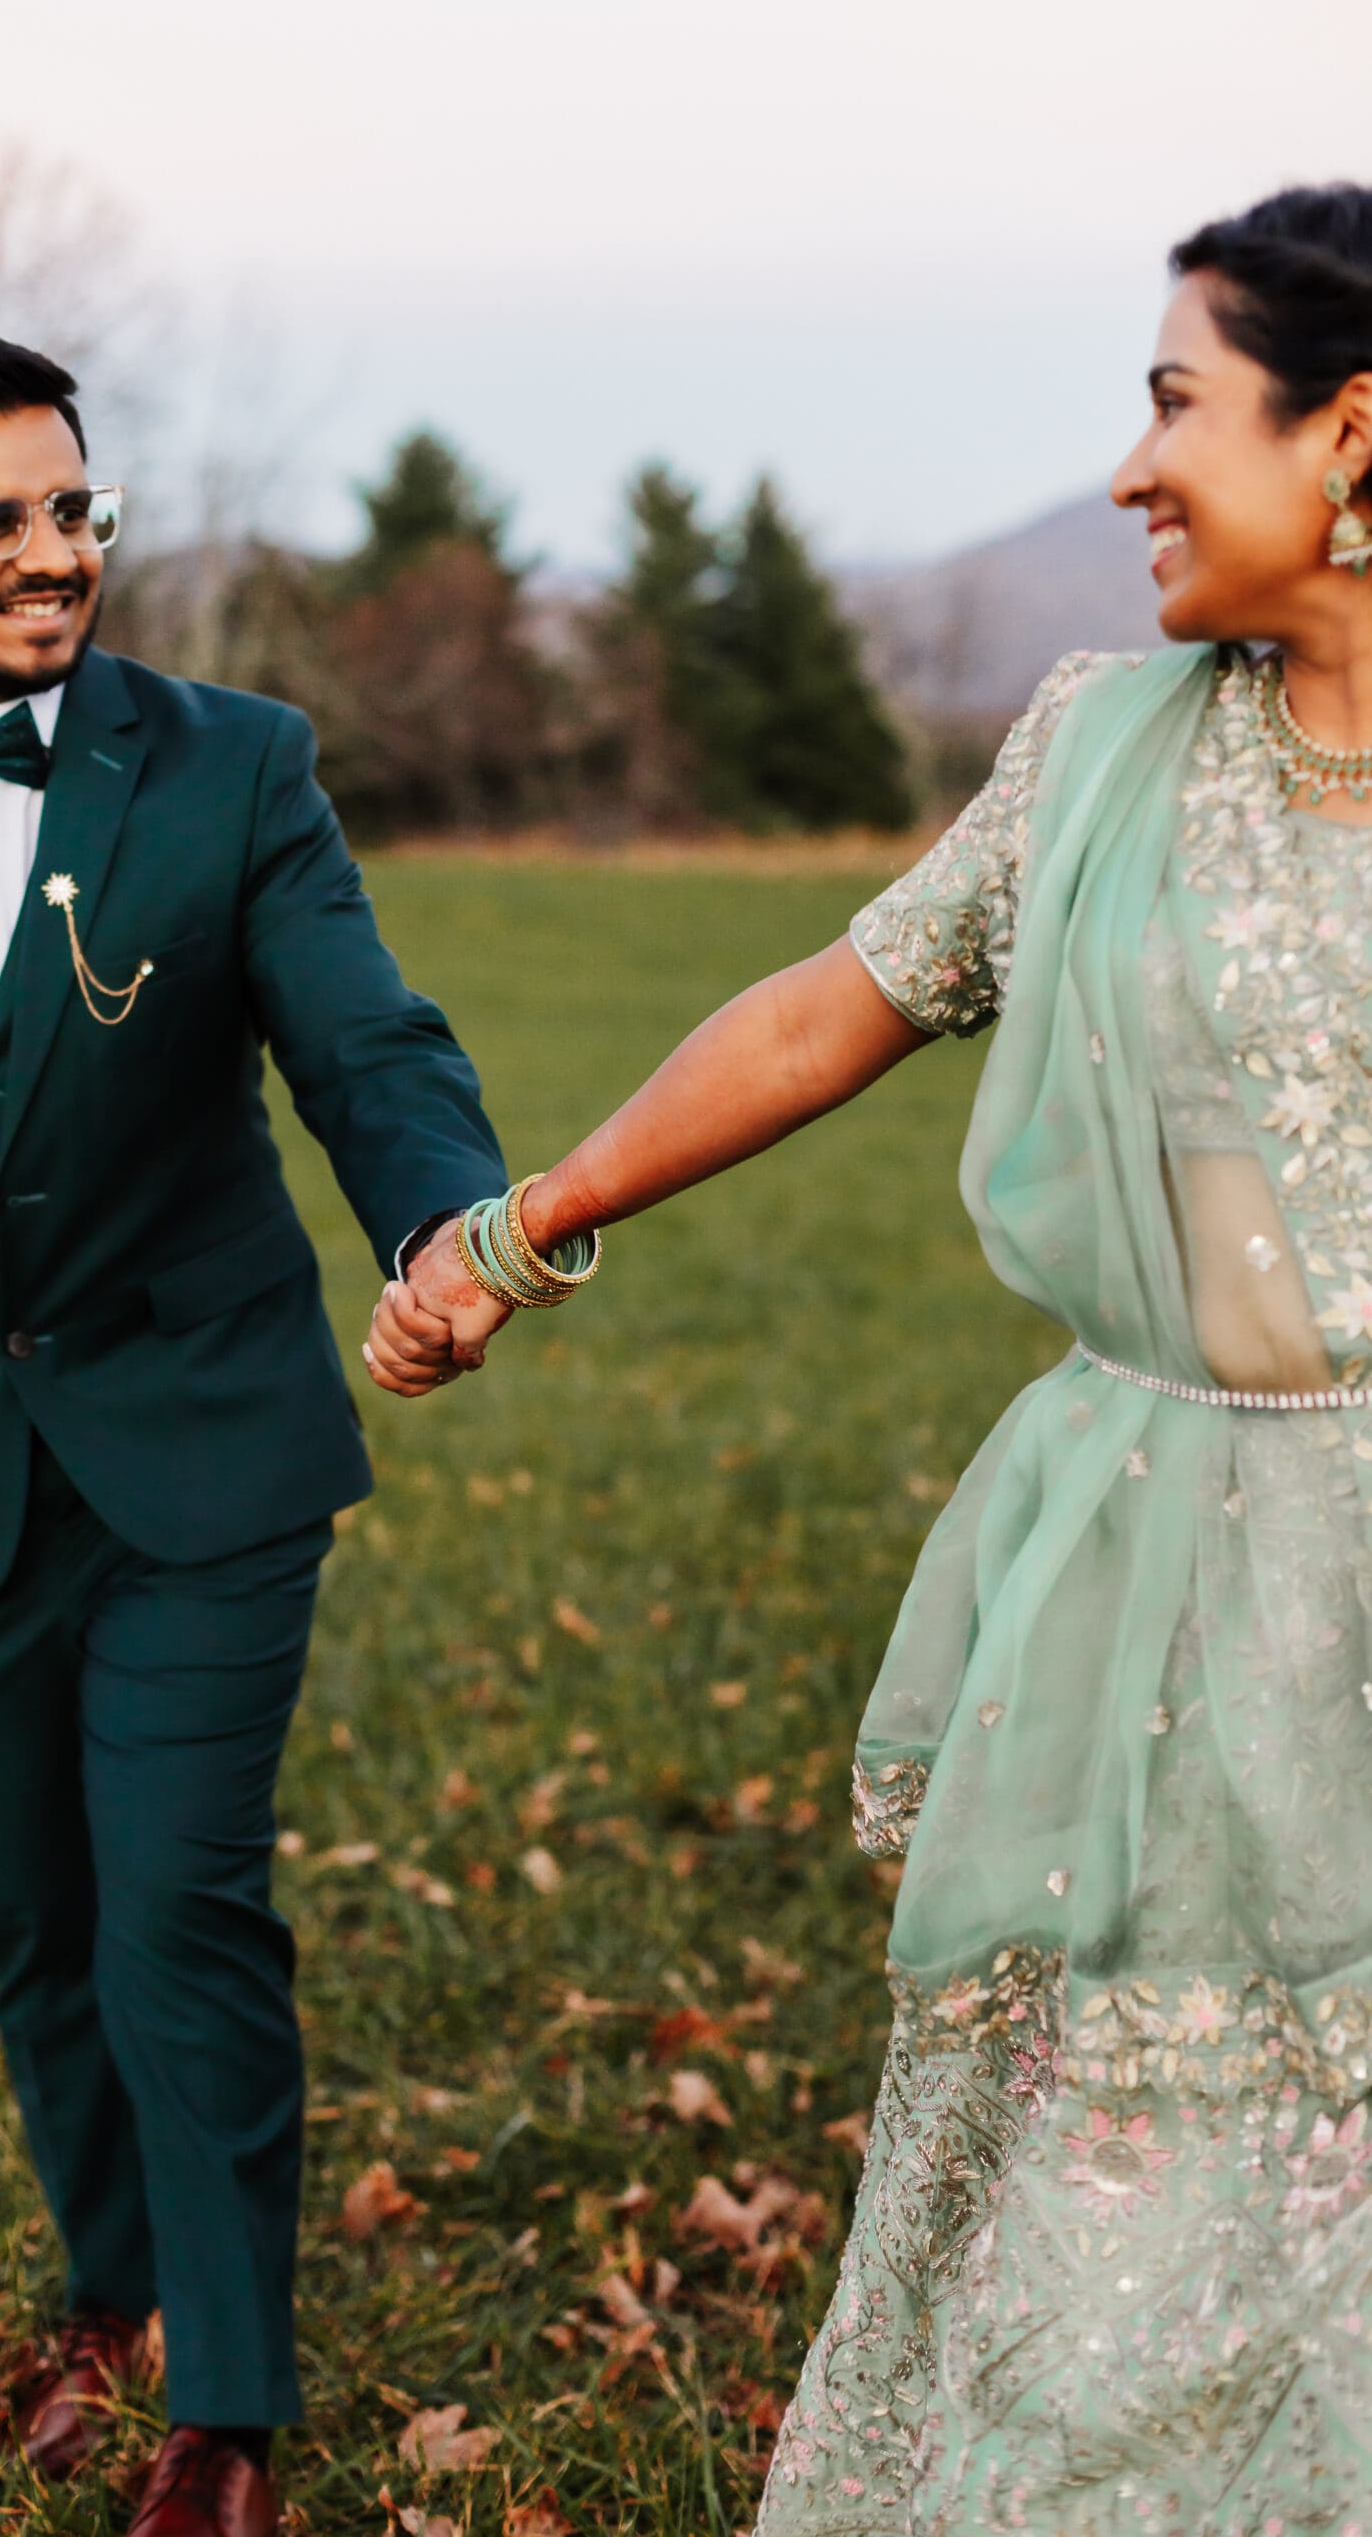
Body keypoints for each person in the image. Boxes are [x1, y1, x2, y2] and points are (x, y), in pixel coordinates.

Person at [367, 183, 1372, 2527]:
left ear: (1350, 432)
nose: (1127, 469)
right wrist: (525, 1228)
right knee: (1107, 2115)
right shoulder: (1096, 745)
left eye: (1168, 404)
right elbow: (839, 1004)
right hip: (1152, 1564)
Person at [0, 334, 507, 2537]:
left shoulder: (231, 766)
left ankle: (219, 2409)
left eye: (76, 509)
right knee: (39, 1921)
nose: (56, 557)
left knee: (175, 1906)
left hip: (207, 1447)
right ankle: (112, 2287)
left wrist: (445, 1224)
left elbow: (364, 1036)